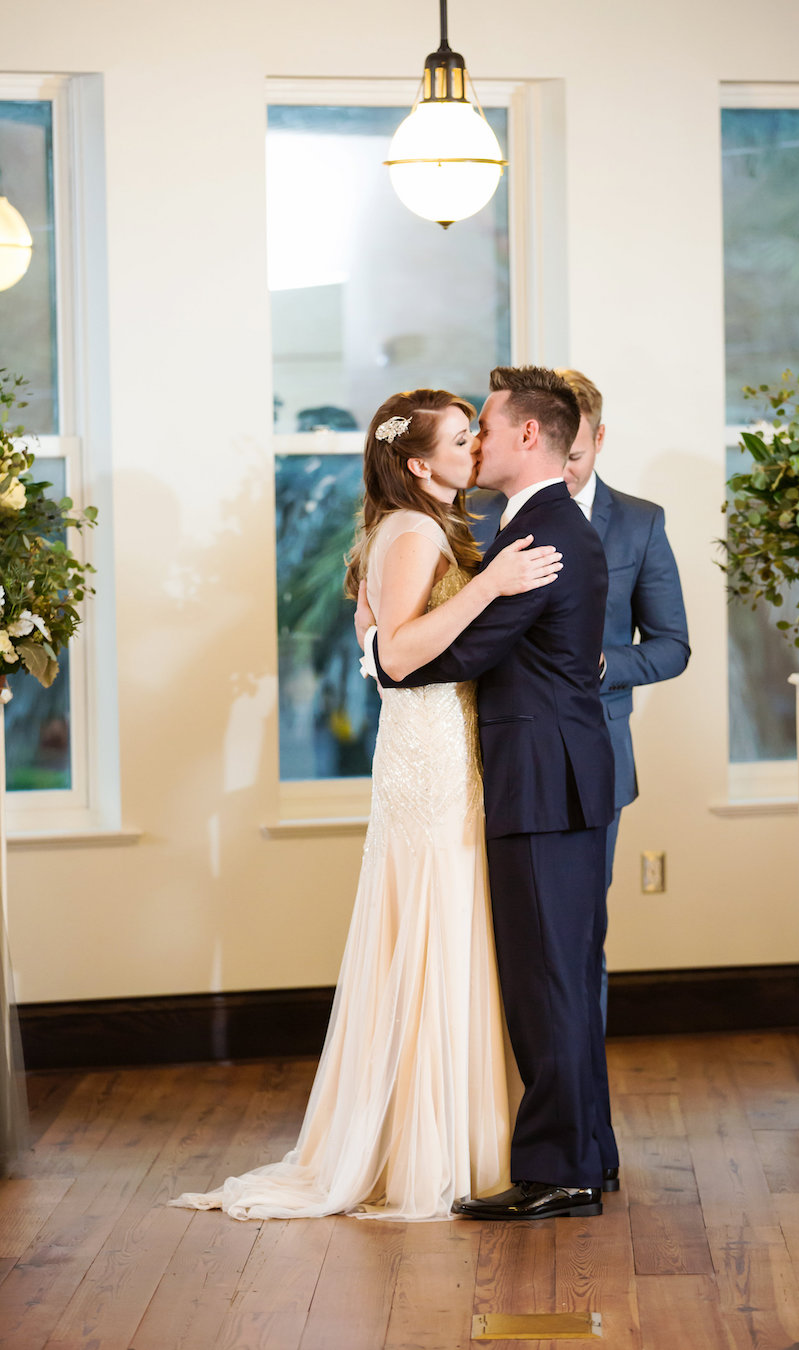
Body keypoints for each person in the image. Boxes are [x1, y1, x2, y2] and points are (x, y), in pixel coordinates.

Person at [170, 388, 562, 1221]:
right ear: (420, 464)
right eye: (463, 437)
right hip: (429, 751)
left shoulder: (426, 524)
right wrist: (491, 586)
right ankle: (427, 1150)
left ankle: (455, 1137)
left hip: (444, 746)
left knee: (449, 929)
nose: (478, 445)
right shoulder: (416, 530)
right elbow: (395, 654)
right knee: (433, 925)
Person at [368, 366, 620, 1221]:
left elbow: (467, 653)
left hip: (543, 785)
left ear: (527, 437)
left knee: (547, 981)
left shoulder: (540, 533)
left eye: (488, 424)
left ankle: (560, 1173)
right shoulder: (534, 524)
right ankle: (587, 1158)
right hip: (549, 777)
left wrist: (384, 657)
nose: (477, 439)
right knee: (562, 977)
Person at [473, 370, 690, 1027]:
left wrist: (597, 665)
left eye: (577, 458)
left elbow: (672, 645)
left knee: (575, 941)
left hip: (592, 754)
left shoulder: (640, 523)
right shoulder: (481, 514)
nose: (561, 473)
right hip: (491, 748)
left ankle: (577, 1091)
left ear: (597, 439)